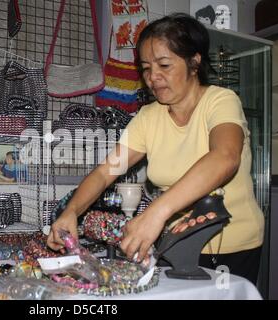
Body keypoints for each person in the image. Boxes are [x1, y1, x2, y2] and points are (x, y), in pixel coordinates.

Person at [47, 13, 264, 285]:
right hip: (175, 247)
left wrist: (156, 213)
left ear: (194, 62)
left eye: (164, 65)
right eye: (147, 68)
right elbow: (106, 172)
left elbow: (225, 157)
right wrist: (71, 211)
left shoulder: (221, 101)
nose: (153, 77)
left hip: (232, 249)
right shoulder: (149, 117)